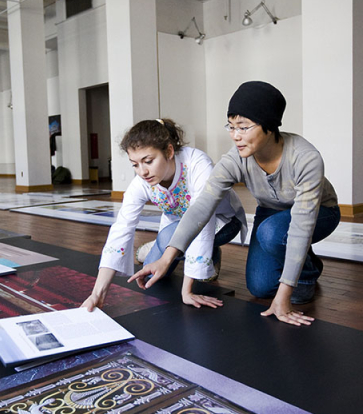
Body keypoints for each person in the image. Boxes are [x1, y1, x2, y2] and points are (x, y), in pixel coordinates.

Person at [130, 82, 340, 327]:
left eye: (243, 127)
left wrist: (284, 296)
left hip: (319, 213)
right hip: (271, 213)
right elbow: (202, 206)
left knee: (281, 255)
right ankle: (301, 259)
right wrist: (168, 258)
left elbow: (302, 225)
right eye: (231, 127)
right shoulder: (236, 158)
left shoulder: (305, 158)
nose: (235, 135)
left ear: (269, 126)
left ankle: (307, 271)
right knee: (260, 287)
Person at [81, 118, 246, 312]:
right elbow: (121, 228)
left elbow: (202, 218)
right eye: (134, 164)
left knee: (173, 238)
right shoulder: (142, 181)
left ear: (168, 151)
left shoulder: (197, 164)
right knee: (152, 276)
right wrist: (97, 294)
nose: (142, 171)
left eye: (148, 161)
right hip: (175, 229)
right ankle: (182, 250)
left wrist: (187, 291)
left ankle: (207, 251)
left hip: (222, 222)